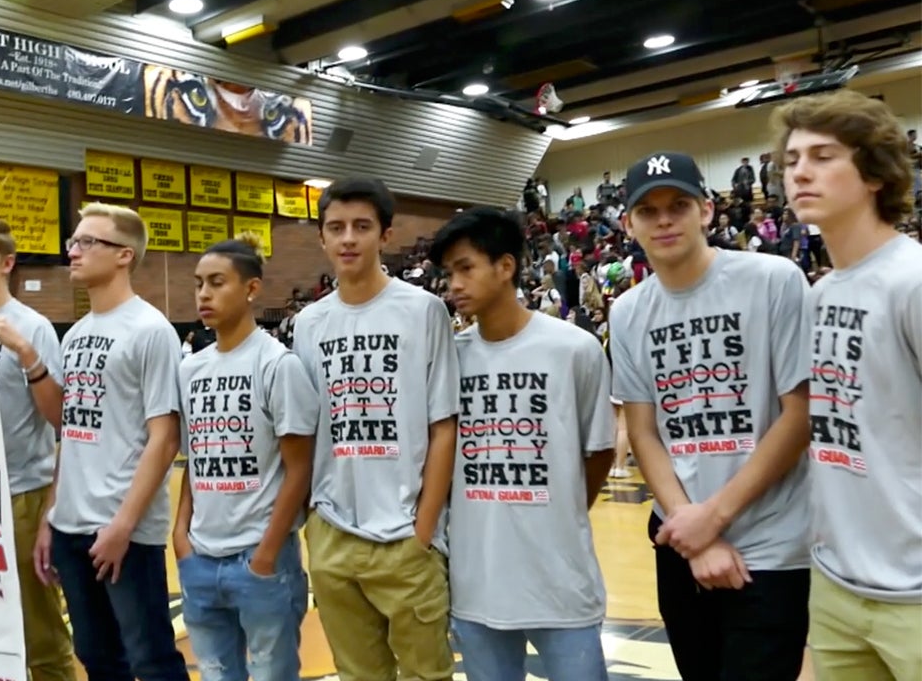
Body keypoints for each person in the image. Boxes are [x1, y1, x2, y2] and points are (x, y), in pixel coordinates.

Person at [609, 152, 812, 681]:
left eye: (678, 205)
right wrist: (689, 528)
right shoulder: (628, 312)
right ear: (629, 224)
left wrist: (714, 518)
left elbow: (799, 414)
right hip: (679, 538)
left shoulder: (775, 280)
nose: (664, 220)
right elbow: (644, 430)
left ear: (707, 210)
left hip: (769, 543)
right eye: (648, 211)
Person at [430, 207, 614, 681]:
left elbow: (599, 452)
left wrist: (560, 512)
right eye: (449, 273)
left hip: (559, 582)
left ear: (506, 266)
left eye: (466, 267)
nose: (454, 283)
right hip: (476, 584)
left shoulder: (574, 349)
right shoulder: (450, 359)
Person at [775, 90, 922, 680]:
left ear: (874, 175)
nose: (800, 171)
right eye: (790, 160)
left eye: (823, 155)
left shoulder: (910, 282)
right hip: (837, 587)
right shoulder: (822, 292)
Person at [291, 177, 459, 681]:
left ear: (385, 236)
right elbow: (305, 430)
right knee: (358, 674)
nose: (348, 239)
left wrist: (423, 527)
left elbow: (443, 424)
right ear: (321, 237)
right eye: (336, 227)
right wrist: (313, 521)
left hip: (405, 532)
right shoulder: (308, 323)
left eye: (361, 227)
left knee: (426, 674)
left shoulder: (423, 310)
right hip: (333, 533)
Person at [37, 202, 188, 681]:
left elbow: (164, 440)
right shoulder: (76, 333)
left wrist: (123, 525)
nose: (73, 252)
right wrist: (50, 516)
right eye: (72, 242)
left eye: (86, 242)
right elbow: (73, 434)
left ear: (124, 255)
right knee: (97, 657)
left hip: (125, 529)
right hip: (71, 526)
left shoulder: (150, 330)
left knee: (152, 660)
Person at [173, 234, 318, 681]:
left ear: (252, 289)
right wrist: (181, 537)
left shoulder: (278, 364)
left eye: (217, 282)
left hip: (259, 562)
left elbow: (300, 470)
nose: (204, 294)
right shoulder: (190, 369)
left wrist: (267, 553)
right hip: (200, 559)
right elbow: (195, 460)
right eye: (199, 283)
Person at [0, 212, 77, 681]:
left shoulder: (33, 326)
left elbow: (60, 417)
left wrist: (26, 354)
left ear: (6, 263)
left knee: (39, 632)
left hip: (21, 493)